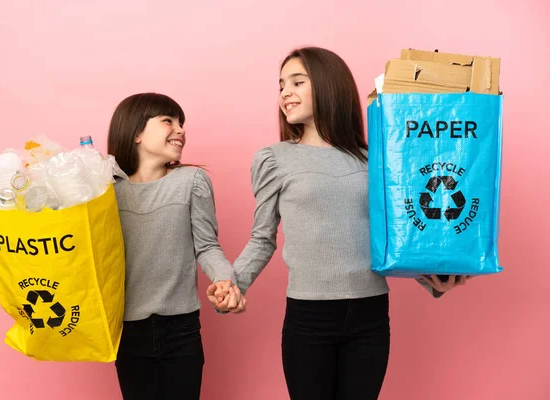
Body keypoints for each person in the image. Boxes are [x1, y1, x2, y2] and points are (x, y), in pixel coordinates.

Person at [229, 47, 468, 400]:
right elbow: (262, 239)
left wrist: (434, 280)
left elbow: (396, 232)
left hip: (371, 315)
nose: (285, 93)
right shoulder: (274, 159)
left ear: (329, 86)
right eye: (281, 86)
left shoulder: (376, 158)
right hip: (308, 317)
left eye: (297, 82)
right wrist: (234, 283)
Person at [107, 92, 245, 399]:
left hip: (181, 329)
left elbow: (207, 246)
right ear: (137, 132)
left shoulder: (191, 181)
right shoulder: (107, 192)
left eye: (182, 122)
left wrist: (225, 280)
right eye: (168, 120)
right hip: (128, 332)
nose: (180, 129)